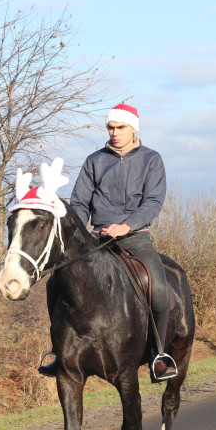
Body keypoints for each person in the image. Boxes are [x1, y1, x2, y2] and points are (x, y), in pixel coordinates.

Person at [39, 102, 177, 381]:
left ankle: (158, 355)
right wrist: (82, 234)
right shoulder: (94, 160)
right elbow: (79, 203)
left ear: (133, 129)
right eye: (111, 127)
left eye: (120, 127)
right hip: (97, 238)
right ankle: (59, 353)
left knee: (159, 291)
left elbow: (153, 202)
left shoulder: (151, 159)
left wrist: (127, 225)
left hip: (135, 237)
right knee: (55, 282)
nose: (114, 132)